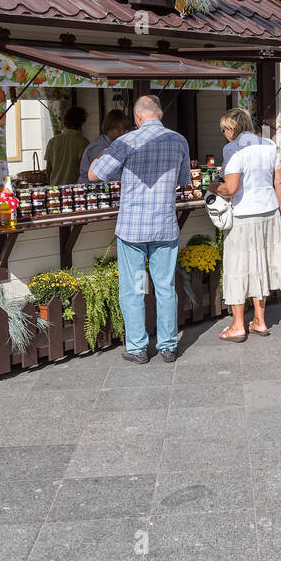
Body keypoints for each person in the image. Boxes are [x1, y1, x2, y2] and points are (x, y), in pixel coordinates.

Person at [88, 95, 191, 365]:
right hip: (165, 225)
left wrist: (103, 156)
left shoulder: (126, 141)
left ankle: (137, 348)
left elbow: (94, 175)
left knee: (134, 288)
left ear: (137, 118)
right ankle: (168, 346)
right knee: (165, 287)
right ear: (158, 114)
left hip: (133, 228)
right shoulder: (179, 140)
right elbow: (183, 181)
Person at [210, 108, 281, 343]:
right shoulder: (269, 145)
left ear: (232, 129)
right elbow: (278, 181)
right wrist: (279, 211)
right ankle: (259, 320)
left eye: (224, 129)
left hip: (245, 215)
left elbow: (231, 188)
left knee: (237, 267)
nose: (224, 134)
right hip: (269, 211)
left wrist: (213, 187)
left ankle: (237, 325)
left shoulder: (233, 148)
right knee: (261, 266)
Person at [78, 109, 128, 184]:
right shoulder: (98, 147)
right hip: (90, 189)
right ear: (109, 128)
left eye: (124, 131)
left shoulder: (113, 144)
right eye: (119, 131)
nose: (122, 134)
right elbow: (112, 174)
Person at [44, 105, 89, 185]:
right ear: (81, 123)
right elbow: (84, 169)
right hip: (74, 189)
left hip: (55, 188)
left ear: (65, 122)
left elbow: (48, 169)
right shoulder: (83, 142)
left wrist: (49, 182)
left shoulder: (52, 141)